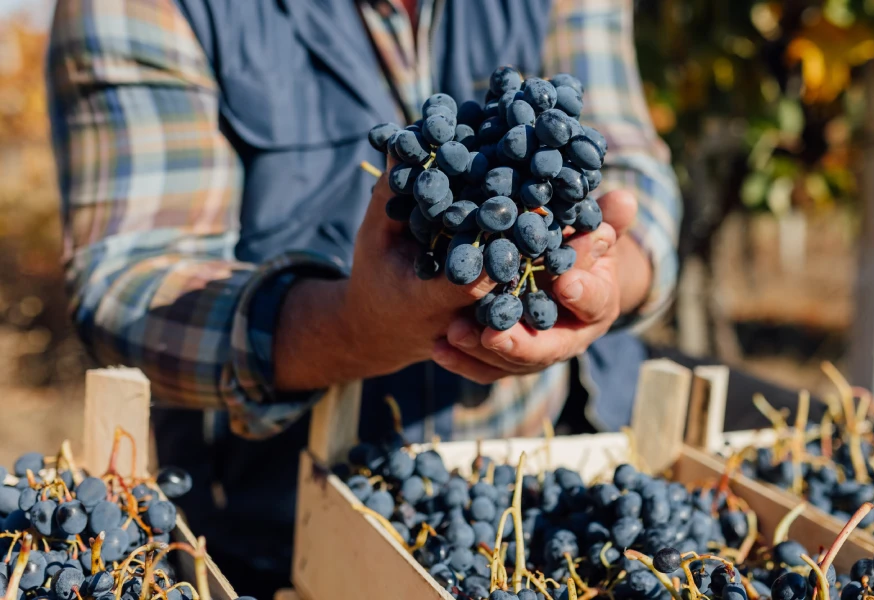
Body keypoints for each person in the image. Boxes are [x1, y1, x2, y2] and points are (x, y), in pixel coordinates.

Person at [47, 0, 682, 594]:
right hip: (277, 535)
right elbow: (127, 286)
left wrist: (610, 275)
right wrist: (353, 329)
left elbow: (625, 164)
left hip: (529, 503)